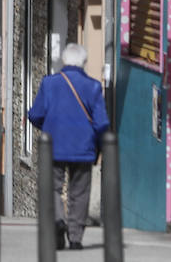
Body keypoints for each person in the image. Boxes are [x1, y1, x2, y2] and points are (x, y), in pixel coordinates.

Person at [28, 42, 110, 251]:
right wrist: (99, 147)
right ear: (84, 62)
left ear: (63, 61)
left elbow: (35, 114)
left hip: (54, 145)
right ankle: (75, 238)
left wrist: (48, 127)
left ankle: (57, 220)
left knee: (52, 187)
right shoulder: (93, 86)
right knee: (79, 192)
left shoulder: (49, 83)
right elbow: (101, 123)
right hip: (84, 147)